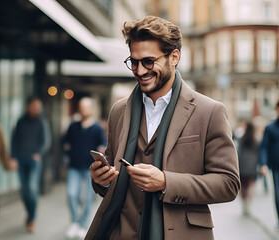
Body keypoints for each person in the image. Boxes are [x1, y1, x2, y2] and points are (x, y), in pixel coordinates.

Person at [86, 16, 240, 240]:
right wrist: (101, 180)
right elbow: (112, 178)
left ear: (174, 57)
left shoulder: (209, 111)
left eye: (148, 61)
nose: (140, 70)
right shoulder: (119, 111)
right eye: (134, 62)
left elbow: (228, 183)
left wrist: (167, 182)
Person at [62, 98, 107, 239]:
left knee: (87, 198)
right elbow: (64, 140)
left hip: (90, 169)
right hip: (74, 167)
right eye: (81, 107)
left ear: (91, 109)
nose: (83, 110)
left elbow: (103, 145)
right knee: (71, 194)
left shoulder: (97, 128)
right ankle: (75, 222)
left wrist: (101, 149)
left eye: (86, 107)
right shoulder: (73, 126)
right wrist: (66, 147)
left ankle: (82, 225)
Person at [11, 97, 51, 233]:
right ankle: (29, 215)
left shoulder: (42, 122)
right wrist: (13, 158)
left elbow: (46, 141)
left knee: (32, 189)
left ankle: (32, 219)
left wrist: (38, 153)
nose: (37, 109)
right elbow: (14, 139)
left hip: (34, 161)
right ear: (28, 106)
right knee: (24, 191)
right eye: (35, 106)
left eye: (39, 107)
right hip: (21, 159)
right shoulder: (21, 121)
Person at [260, 100, 279, 228]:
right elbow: (264, 147)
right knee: (278, 194)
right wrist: (264, 164)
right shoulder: (270, 127)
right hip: (276, 167)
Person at [238, 122, 259, 215]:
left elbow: (238, 153)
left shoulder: (242, 139)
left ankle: (244, 202)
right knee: (251, 185)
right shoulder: (257, 140)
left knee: (243, 186)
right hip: (253, 166)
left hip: (243, 165)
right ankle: (248, 204)